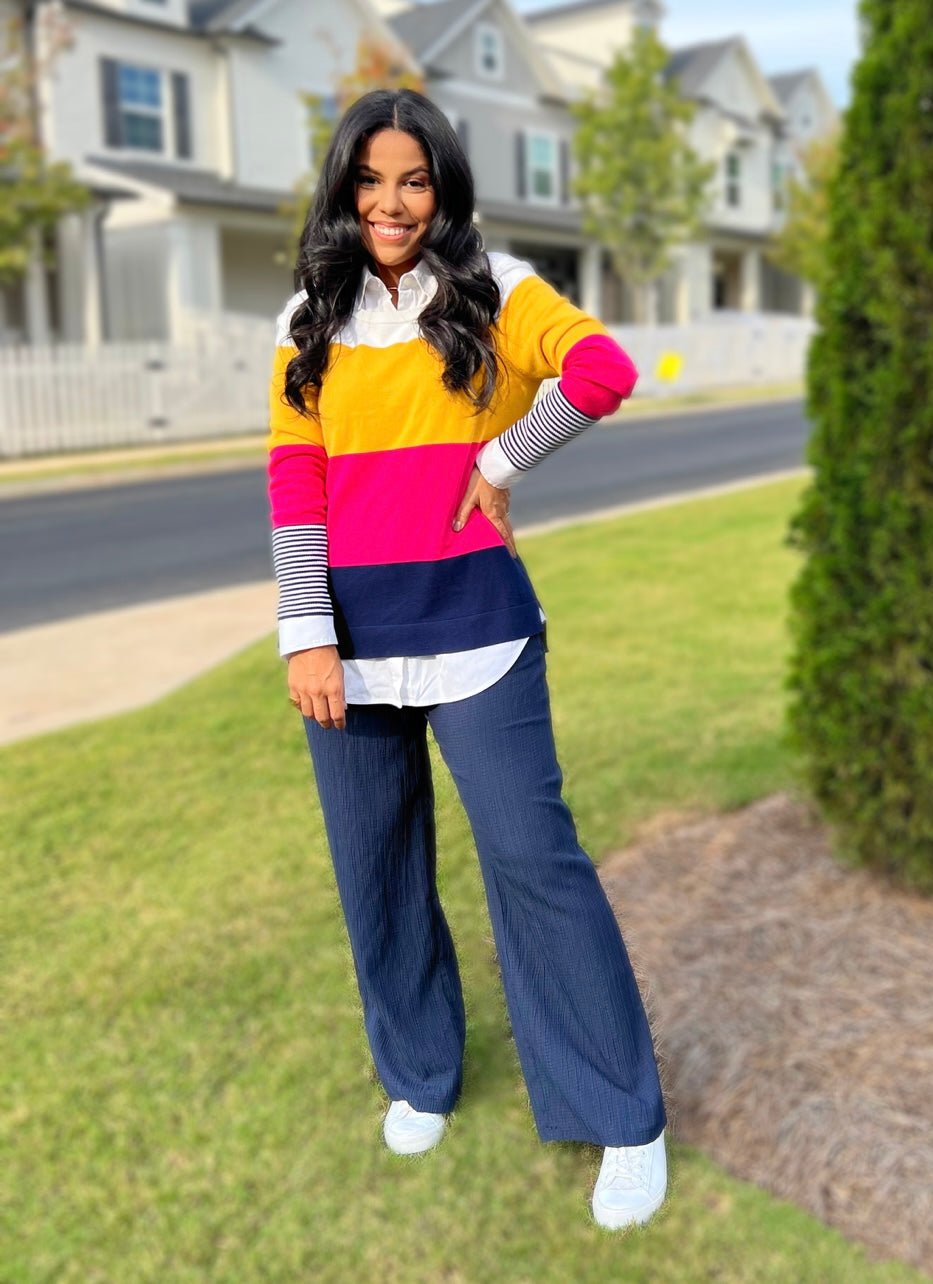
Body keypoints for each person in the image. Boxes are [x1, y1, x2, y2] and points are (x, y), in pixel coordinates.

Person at [266, 88, 667, 1230]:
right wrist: (306, 633)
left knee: (537, 864)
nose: (393, 203)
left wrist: (500, 460)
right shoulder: (306, 315)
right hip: (346, 645)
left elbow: (602, 372)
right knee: (375, 870)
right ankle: (420, 1074)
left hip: (481, 634)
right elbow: (298, 481)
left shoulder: (500, 287)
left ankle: (625, 1118)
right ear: (347, 187)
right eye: (373, 180)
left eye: (416, 180)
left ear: (442, 188)